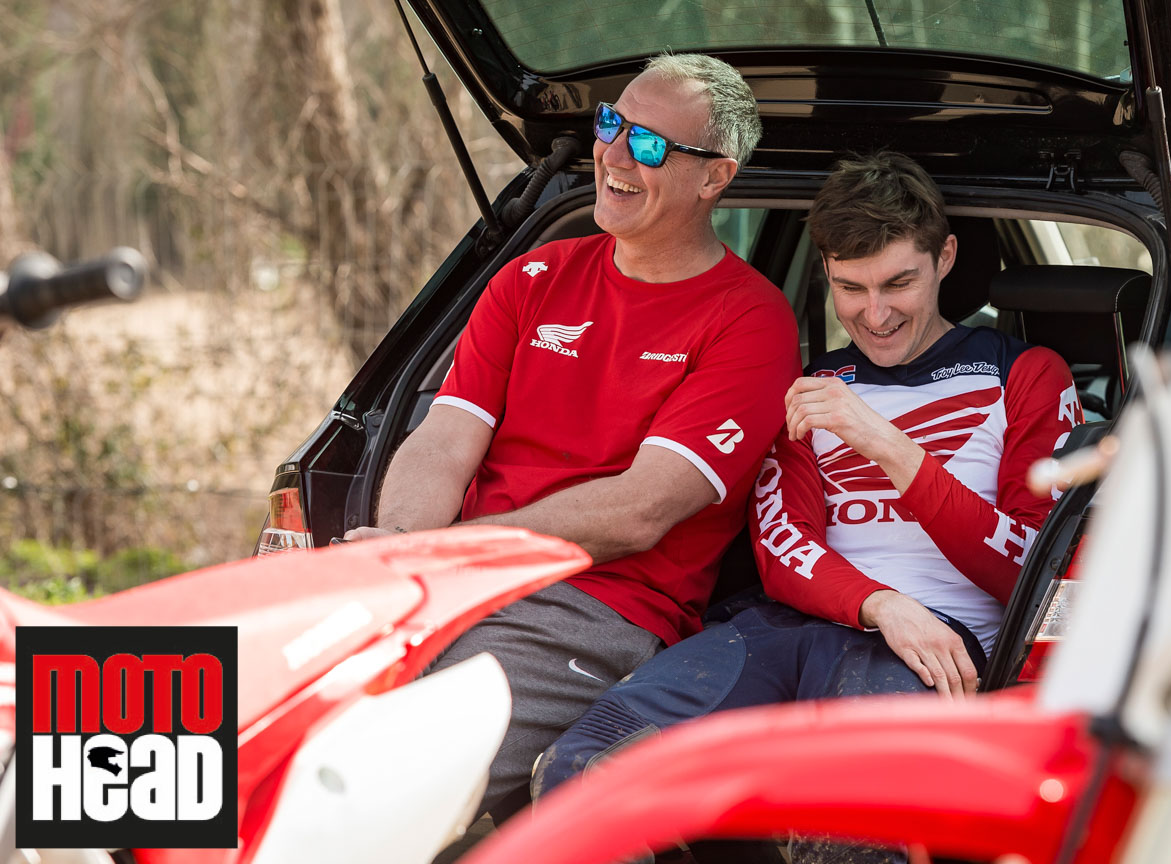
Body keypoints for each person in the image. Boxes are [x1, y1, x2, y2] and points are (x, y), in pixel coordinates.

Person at [533, 151, 1083, 800]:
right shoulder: (815, 385)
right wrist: (882, 605)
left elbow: (1031, 569)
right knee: (581, 769)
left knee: (848, 811)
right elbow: (782, 547)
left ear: (945, 258)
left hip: (935, 644)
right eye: (850, 288)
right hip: (795, 624)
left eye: (898, 283)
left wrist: (886, 444)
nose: (875, 315)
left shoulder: (1026, 374)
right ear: (826, 272)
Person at [341, 53, 800, 820]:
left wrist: (453, 553)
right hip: (454, 582)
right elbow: (444, 440)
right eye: (612, 123)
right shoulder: (534, 276)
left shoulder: (749, 322)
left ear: (714, 178)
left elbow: (639, 510)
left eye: (649, 145)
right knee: (252, 725)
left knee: (379, 782)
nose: (614, 155)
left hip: (591, 611)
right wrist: (398, 547)